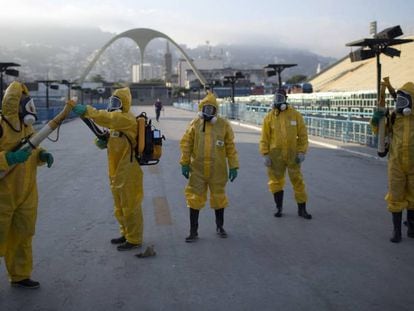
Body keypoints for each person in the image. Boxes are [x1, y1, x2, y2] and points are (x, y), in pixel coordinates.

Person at [72, 87, 144, 251]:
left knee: (130, 206)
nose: (113, 105)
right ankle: (126, 233)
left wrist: (87, 110)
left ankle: (135, 239)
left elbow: (105, 117)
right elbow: (113, 139)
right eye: (112, 101)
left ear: (124, 104)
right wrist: (104, 142)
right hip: (116, 171)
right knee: (119, 206)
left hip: (129, 170)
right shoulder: (116, 125)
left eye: (116, 102)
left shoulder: (125, 118)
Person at [0, 81, 54, 289]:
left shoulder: (28, 127)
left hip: (26, 193)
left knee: (23, 235)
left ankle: (20, 275)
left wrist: (42, 154)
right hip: (3, 194)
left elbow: (32, 150)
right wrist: (9, 158)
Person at [180, 92, 239, 242]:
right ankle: (193, 231)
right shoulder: (195, 124)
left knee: (219, 197)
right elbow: (186, 144)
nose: (208, 112)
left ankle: (220, 226)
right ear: (201, 108)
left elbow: (230, 147)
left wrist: (233, 166)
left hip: (217, 169)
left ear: (215, 110)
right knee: (194, 198)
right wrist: (185, 163)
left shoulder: (223, 125)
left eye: (211, 109)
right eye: (205, 108)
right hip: (198, 169)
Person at [371, 82, 414, 243]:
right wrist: (376, 120)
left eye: (404, 101)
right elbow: (379, 131)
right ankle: (397, 231)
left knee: (413, 197)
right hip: (396, 163)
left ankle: (411, 227)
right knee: (395, 197)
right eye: (399, 101)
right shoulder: (394, 117)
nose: (400, 105)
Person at [259, 88, 311, 219]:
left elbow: (303, 136)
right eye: (276, 98)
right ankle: (279, 207)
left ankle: (302, 209)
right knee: (275, 181)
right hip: (275, 156)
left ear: (286, 100)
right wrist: (265, 154)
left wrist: (302, 152)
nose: (278, 101)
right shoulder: (269, 118)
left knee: (298, 181)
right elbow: (264, 138)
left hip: (293, 156)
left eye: (280, 98)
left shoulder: (295, 115)